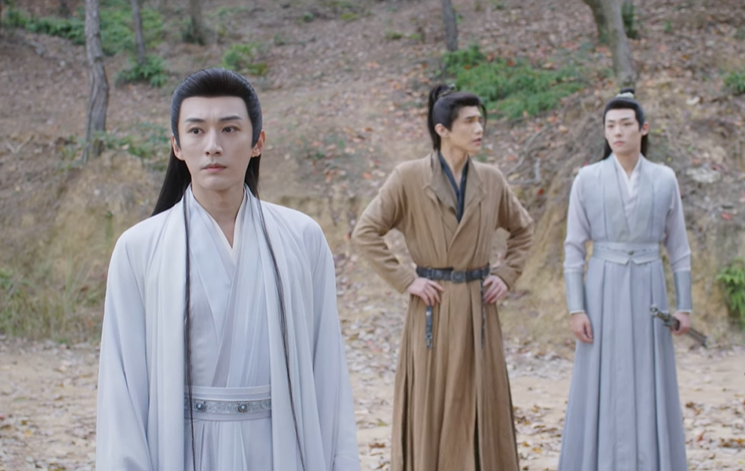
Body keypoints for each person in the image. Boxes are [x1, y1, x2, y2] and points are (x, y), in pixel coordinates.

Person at [95, 68, 361, 471]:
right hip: (183, 449)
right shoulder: (139, 248)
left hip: (279, 447)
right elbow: (122, 387)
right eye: (196, 131)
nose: (213, 146)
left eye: (230, 129)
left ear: (257, 142)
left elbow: (327, 369)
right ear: (176, 145)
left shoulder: (301, 238)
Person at [351, 84, 533, 471]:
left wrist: (506, 274)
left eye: (481, 120)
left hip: (478, 306)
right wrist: (407, 280)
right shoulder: (408, 177)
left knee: (481, 398)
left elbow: (523, 230)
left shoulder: (492, 179)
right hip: (432, 307)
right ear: (442, 129)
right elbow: (366, 232)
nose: (479, 128)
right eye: (469, 121)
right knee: (432, 400)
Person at [559, 88, 692, 471]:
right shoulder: (587, 179)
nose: (618, 132)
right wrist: (576, 308)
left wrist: (684, 305)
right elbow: (573, 248)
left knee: (649, 373)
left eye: (626, 124)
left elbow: (679, 247)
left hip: (650, 282)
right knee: (602, 373)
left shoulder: (664, 178)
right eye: (610, 126)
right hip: (602, 284)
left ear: (643, 128)